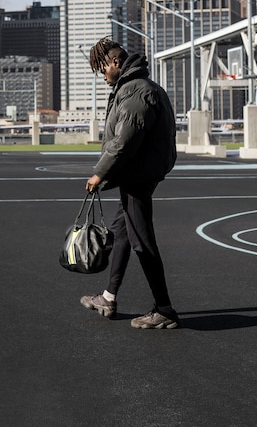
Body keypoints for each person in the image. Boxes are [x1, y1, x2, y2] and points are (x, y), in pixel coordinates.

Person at [80, 37, 179, 329]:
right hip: (138, 173)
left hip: (137, 176)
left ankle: (164, 310)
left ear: (115, 63)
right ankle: (109, 297)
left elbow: (125, 140)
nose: (104, 77)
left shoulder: (136, 91)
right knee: (122, 233)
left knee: (142, 242)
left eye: (103, 70)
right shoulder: (136, 87)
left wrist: (100, 172)